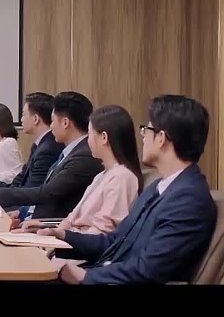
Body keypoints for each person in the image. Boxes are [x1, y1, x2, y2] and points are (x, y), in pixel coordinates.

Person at [42, 95, 217, 284]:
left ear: (161, 138)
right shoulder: (159, 187)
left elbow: (148, 270)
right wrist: (63, 236)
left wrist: (86, 276)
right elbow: (114, 242)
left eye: (147, 129)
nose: (142, 135)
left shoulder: (188, 200)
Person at [0, 91, 103, 220]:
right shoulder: (69, 151)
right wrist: (22, 212)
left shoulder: (81, 157)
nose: (51, 126)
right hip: (38, 219)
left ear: (65, 123)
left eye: (53, 121)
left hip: (48, 224)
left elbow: (47, 193)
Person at [15, 105, 141, 235]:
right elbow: (75, 221)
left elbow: (102, 234)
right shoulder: (103, 175)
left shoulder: (122, 178)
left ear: (104, 138)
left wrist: (60, 234)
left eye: (90, 133)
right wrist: (45, 226)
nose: (87, 140)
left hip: (77, 246)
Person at [0, 93, 64, 209]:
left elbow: (32, 190)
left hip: (28, 208)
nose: (21, 119)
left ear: (36, 119)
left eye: (23, 115)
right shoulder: (39, 145)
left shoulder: (47, 149)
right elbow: (19, 181)